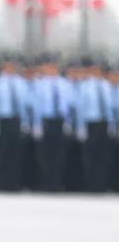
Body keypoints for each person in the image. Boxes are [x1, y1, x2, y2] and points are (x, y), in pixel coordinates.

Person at [0, 55, 31, 192]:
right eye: (8, 66)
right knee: (2, 153)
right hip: (3, 120)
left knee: (16, 153)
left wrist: (25, 122)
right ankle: (2, 182)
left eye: (13, 66)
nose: (10, 69)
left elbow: (25, 105)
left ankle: (15, 183)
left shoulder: (21, 83)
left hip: (16, 120)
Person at [32, 55, 74, 192]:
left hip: (60, 121)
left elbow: (69, 106)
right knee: (45, 154)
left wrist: (68, 122)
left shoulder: (65, 84)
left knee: (60, 154)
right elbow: (36, 106)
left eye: (54, 66)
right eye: (49, 66)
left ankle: (56, 183)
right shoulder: (39, 84)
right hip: (46, 121)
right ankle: (46, 182)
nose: (51, 69)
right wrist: (37, 125)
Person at [75, 58, 114, 193]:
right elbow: (81, 108)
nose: (96, 71)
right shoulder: (85, 86)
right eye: (94, 69)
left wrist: (112, 125)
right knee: (91, 155)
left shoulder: (106, 85)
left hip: (104, 123)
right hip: (91, 123)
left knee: (103, 155)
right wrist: (81, 127)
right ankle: (91, 184)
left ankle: (101, 184)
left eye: (99, 69)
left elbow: (109, 108)